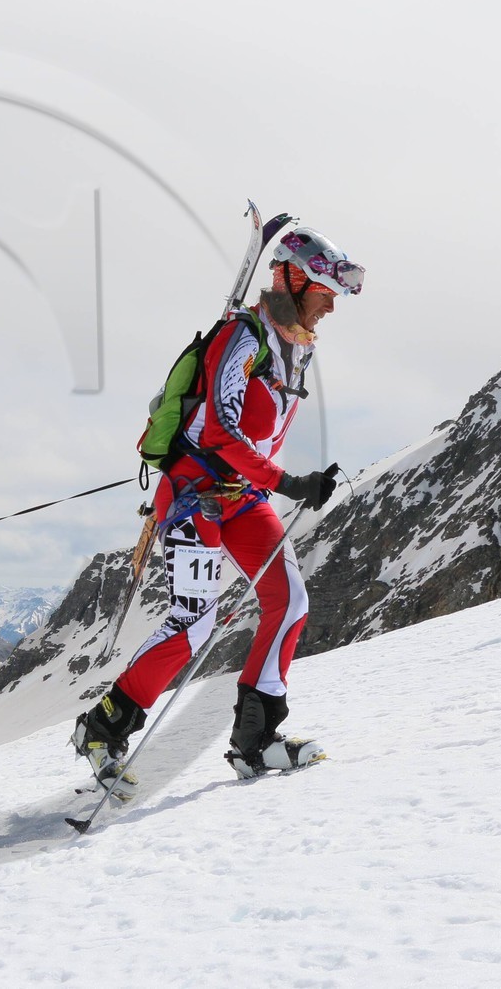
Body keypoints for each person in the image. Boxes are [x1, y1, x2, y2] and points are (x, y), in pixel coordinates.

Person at [73, 225, 365, 786]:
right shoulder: (243, 338)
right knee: (194, 624)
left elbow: (255, 439)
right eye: (325, 292)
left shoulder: (292, 350)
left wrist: (282, 481)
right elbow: (221, 434)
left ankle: (254, 744)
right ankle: (102, 729)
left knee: (289, 600)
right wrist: (289, 481)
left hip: (243, 496)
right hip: (195, 498)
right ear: (293, 278)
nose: (330, 306)